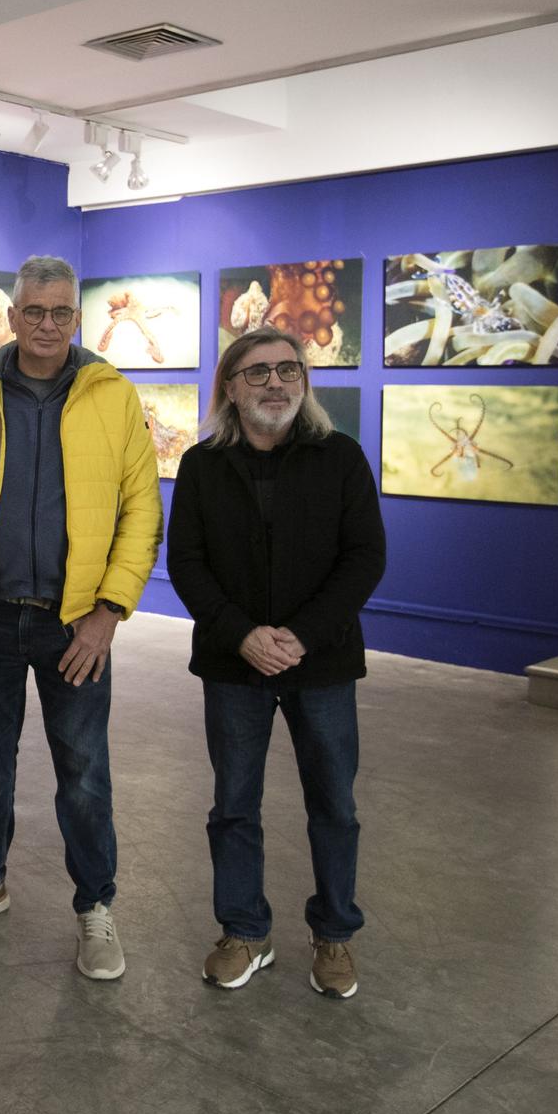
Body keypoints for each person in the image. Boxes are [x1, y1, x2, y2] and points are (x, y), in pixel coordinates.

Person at [0, 254, 161, 981]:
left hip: (75, 623)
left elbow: (142, 508)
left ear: (76, 319)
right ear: (13, 316)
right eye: (35, 311)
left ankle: (95, 904)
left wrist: (109, 612)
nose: (47, 324)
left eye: (61, 312)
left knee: (84, 773)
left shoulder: (111, 396)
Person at [166, 324, 385, 999]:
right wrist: (242, 636)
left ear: (304, 382)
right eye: (257, 372)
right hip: (236, 666)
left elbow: (364, 558)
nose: (275, 383)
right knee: (233, 804)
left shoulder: (340, 457)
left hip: (320, 663)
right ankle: (245, 930)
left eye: (288, 369)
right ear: (230, 387)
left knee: (334, 806)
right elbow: (187, 564)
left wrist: (299, 635)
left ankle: (335, 933)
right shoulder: (203, 465)